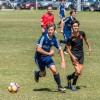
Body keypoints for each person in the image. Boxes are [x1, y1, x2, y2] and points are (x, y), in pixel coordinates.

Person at [34, 22, 66, 92]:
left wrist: (63, 61)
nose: (50, 31)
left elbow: (60, 49)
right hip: (39, 58)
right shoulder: (43, 37)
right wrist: (48, 53)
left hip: (47, 57)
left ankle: (59, 86)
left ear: (54, 30)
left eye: (52, 30)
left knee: (55, 70)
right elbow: (38, 49)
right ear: (47, 30)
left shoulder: (54, 39)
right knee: (43, 74)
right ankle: (37, 73)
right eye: (49, 30)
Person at [66, 20, 91, 91]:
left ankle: (69, 77)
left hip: (81, 55)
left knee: (79, 72)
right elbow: (67, 49)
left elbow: (86, 39)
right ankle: (73, 85)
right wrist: (72, 56)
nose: (75, 27)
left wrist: (89, 47)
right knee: (78, 71)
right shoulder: (70, 38)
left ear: (78, 26)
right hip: (74, 55)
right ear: (72, 27)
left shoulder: (82, 33)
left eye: (76, 26)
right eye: (74, 26)